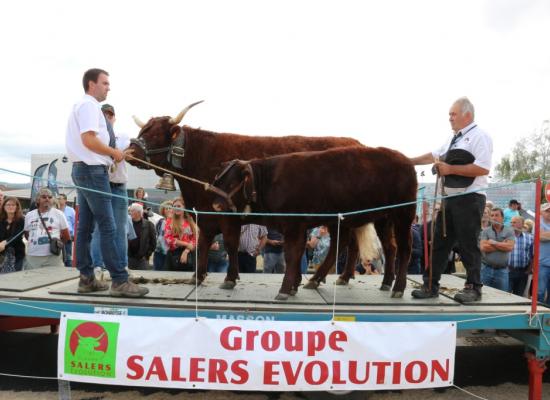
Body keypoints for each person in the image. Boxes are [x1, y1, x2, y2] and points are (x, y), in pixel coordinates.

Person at [65, 68, 148, 297]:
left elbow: (86, 141)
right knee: (109, 226)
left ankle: (87, 278)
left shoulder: (80, 105)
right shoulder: (90, 105)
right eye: (105, 83)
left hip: (82, 170)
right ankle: (120, 281)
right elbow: (89, 139)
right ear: (92, 84)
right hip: (93, 171)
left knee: (86, 227)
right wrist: (115, 152)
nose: (108, 87)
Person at [410, 97, 493, 303]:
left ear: (467, 115)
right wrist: (408, 161)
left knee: (468, 244)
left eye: (453, 114)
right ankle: (430, 284)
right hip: (450, 198)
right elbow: (434, 155)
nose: (450, 118)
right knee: (438, 242)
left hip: (470, 197)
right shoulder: (452, 138)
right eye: (449, 114)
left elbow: (483, 168)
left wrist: (450, 169)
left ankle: (474, 288)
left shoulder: (479, 137)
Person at [90, 103, 131, 272]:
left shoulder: (123, 136)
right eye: (104, 114)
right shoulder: (92, 137)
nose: (108, 117)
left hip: (119, 185)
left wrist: (123, 153)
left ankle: (121, 265)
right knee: (100, 226)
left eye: (110, 115)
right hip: (101, 185)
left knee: (121, 228)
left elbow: (130, 151)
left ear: (114, 118)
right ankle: (98, 265)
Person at [24, 188, 70, 269]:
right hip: (33, 256)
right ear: (38, 200)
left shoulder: (59, 214)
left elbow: (66, 236)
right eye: (44, 197)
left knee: (55, 280)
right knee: (32, 280)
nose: (47, 199)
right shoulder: (29, 215)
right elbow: (27, 235)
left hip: (53, 257)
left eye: (50, 197)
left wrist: (56, 244)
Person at [479, 208, 515, 292]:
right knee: (484, 295)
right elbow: (483, 247)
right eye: (492, 215)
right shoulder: (485, 231)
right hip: (486, 269)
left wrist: (493, 243)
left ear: (502, 218)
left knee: (502, 297)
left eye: (497, 215)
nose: (494, 218)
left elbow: (509, 247)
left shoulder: (509, 231)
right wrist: (502, 244)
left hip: (502, 271)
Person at [164, 197, 198, 271]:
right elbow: (168, 239)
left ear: (184, 207)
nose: (176, 208)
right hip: (173, 254)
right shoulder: (170, 221)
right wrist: (186, 244)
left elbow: (195, 238)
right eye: (174, 206)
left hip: (190, 254)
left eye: (179, 206)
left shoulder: (190, 220)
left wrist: (186, 251)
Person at [507, 215, 533, 296]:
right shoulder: (506, 236)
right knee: (505, 295)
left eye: (514, 222)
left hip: (523, 272)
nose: (512, 224)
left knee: (519, 296)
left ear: (522, 224)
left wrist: (529, 270)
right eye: (511, 222)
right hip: (508, 271)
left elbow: (532, 255)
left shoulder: (529, 238)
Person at [127, 203, 156, 270]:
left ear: (139, 212)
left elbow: (153, 243)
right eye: (130, 211)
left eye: (132, 211)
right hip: (129, 258)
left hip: (143, 260)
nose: (130, 213)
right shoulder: (127, 223)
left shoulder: (149, 225)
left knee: (143, 278)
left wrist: (147, 255)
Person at [0, 196, 25, 271]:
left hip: (17, 254)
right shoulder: (1, 220)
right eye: (8, 205)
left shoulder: (21, 220)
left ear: (17, 207)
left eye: (13, 205)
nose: (10, 207)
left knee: (14, 277)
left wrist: (5, 242)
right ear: (4, 206)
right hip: (2, 254)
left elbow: (17, 236)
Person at [57, 194, 75, 267]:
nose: (59, 200)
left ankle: (68, 269)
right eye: (58, 198)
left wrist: (73, 234)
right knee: (57, 254)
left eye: (61, 198)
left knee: (68, 254)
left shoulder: (71, 210)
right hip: (57, 236)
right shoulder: (55, 210)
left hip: (68, 235)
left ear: (65, 200)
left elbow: (74, 223)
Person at [537, 202, 550, 304]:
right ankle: (538, 313)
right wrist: (544, 235)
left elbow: (545, 236)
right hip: (542, 264)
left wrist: (546, 235)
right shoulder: (538, 223)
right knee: (539, 292)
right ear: (541, 212)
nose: (549, 212)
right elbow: (540, 237)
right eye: (547, 211)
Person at [153, 201, 172, 270]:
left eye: (170, 208)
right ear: (163, 211)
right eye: (166, 209)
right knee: (158, 270)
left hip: (171, 252)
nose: (168, 210)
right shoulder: (160, 222)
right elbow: (156, 234)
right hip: (159, 251)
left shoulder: (176, 222)